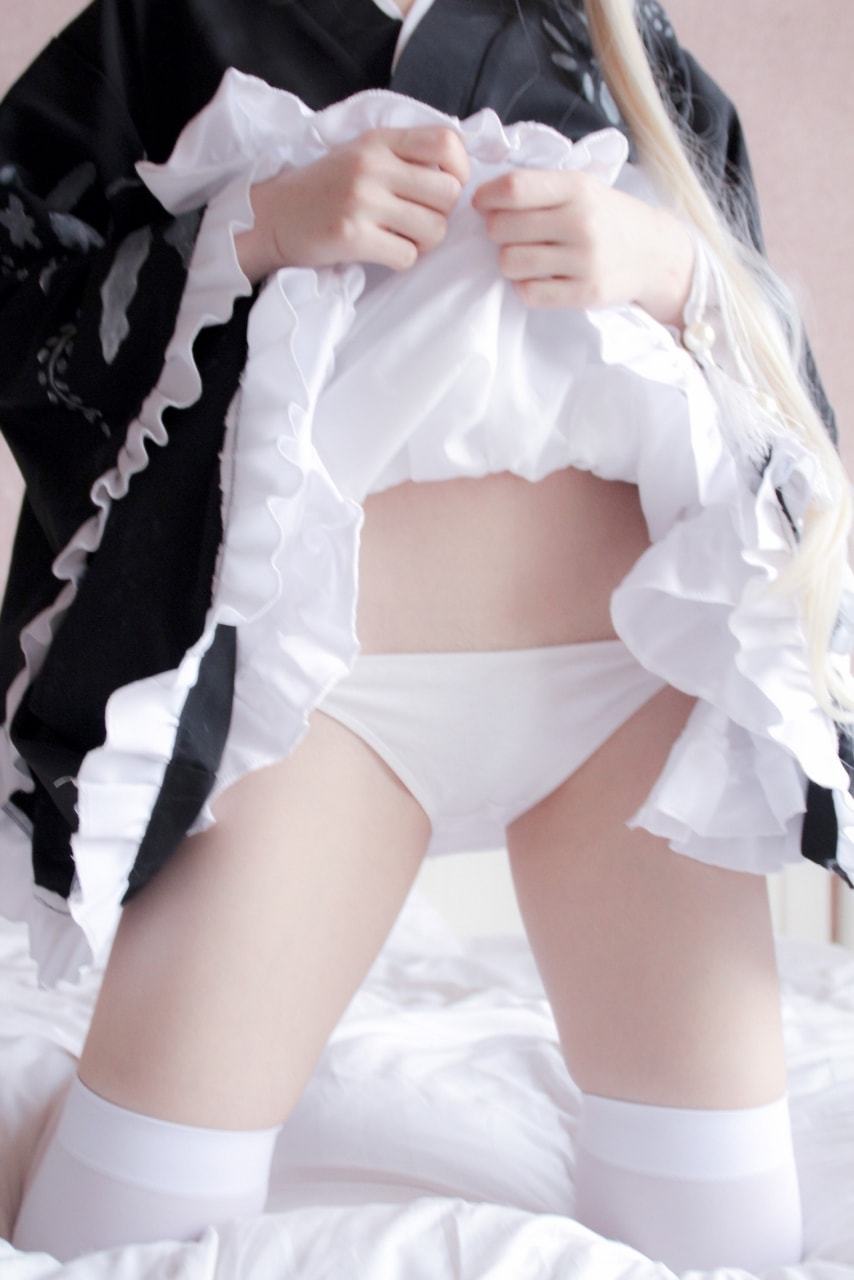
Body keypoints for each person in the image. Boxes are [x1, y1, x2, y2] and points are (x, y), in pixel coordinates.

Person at [1, 0, 851, 1267]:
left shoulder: (611, 35)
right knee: (116, 1225)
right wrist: (253, 228)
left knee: (726, 1236)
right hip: (322, 715)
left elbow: (774, 381)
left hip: (634, 701)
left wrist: (672, 268)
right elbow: (21, 288)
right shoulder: (167, 18)